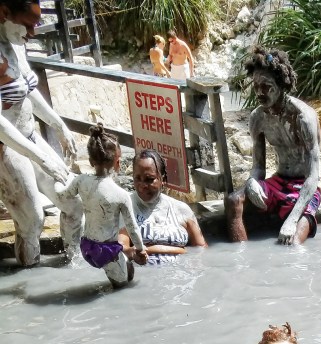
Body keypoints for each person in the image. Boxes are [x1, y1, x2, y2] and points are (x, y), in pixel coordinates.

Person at [0, 0, 82, 265]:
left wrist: (59, 125)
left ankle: (74, 265)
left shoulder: (17, 42)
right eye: (28, 25)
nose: (33, 34)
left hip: (31, 137)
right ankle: (31, 279)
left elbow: (27, 89)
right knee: (33, 219)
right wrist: (42, 159)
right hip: (7, 148)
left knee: (73, 203)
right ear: (4, 12)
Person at [225, 47, 321, 246]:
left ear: (281, 85)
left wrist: (292, 220)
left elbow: (313, 176)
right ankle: (241, 260)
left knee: (292, 241)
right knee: (233, 201)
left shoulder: (303, 117)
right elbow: (259, 167)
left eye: (266, 86)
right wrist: (252, 182)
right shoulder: (258, 118)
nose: (259, 92)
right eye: (256, 86)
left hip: (303, 187)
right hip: (277, 182)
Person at [55, 124, 148, 288]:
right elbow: (132, 228)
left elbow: (62, 194)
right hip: (107, 252)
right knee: (123, 288)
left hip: (87, 248)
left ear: (91, 161)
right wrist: (141, 250)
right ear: (118, 162)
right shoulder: (121, 195)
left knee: (128, 269)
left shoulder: (81, 181)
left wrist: (56, 181)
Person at [119, 149, 207, 265]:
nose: (142, 185)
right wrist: (133, 253)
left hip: (183, 277)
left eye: (149, 179)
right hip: (145, 279)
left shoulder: (181, 209)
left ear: (163, 179)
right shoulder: (126, 207)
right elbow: (120, 250)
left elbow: (201, 249)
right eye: (137, 179)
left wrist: (148, 249)